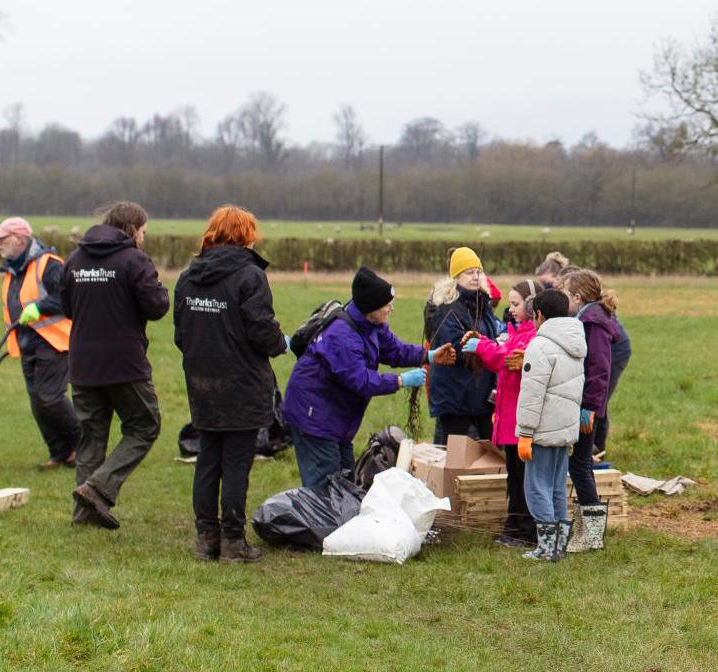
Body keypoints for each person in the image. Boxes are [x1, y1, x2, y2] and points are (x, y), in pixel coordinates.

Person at [172, 205, 284, 563]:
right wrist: (280, 343)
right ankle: (234, 542)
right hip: (242, 383)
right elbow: (262, 330)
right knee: (236, 462)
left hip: (202, 382)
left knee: (208, 458)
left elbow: (180, 334)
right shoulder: (250, 277)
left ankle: (206, 539)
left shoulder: (188, 278)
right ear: (245, 235)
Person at [283, 267, 454, 487]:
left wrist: (428, 356)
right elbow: (361, 381)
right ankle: (320, 521)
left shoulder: (373, 325)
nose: (391, 308)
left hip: (336, 417)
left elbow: (394, 350)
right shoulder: (342, 335)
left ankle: (339, 519)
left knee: (345, 482)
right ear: (371, 307)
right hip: (313, 415)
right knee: (324, 488)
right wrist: (400, 381)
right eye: (387, 304)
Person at [64, 201, 170, 530]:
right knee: (144, 426)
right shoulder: (134, 260)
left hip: (82, 364)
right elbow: (157, 307)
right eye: (143, 232)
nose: (143, 238)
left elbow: (67, 308)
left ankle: (84, 517)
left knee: (91, 438)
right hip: (125, 365)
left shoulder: (75, 259)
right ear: (130, 230)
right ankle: (98, 488)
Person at [0, 216, 79, 469]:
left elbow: (67, 297)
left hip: (54, 341)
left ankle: (84, 444)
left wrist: (38, 307)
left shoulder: (49, 265)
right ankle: (59, 454)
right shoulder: (14, 269)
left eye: (2, 238)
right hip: (27, 342)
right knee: (37, 403)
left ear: (19, 239)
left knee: (49, 398)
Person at [469, 279, 545, 548]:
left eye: (516, 304)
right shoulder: (516, 332)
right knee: (514, 476)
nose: (510, 309)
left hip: (521, 420)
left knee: (523, 478)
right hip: (510, 419)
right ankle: (514, 524)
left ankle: (524, 529)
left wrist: (481, 347)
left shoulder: (532, 338)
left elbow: (503, 357)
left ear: (531, 305)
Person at [514, 289, 586, 562]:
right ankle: (558, 546)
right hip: (565, 429)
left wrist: (525, 432)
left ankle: (546, 548)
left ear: (540, 315)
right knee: (557, 487)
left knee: (536, 488)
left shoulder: (540, 345)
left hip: (542, 431)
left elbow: (532, 394)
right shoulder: (576, 342)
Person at [559, 268, 619, 552]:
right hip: (584, 404)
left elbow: (598, 370)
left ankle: (592, 535)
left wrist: (590, 408)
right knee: (580, 466)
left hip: (588, 408)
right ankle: (586, 532)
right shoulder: (589, 318)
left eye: (566, 295)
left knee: (580, 466)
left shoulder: (593, 323)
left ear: (577, 297)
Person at [425, 247, 503, 444]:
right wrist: (485, 348)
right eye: (469, 273)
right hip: (454, 394)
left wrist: (497, 344)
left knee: (490, 451)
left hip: (482, 394)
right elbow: (453, 348)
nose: (475, 277)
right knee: (454, 454)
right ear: (456, 277)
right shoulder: (446, 308)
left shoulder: (483, 304)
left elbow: (491, 336)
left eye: (478, 272)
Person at [592, 294, 632, 469]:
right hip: (605, 356)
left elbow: (599, 366)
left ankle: (596, 452)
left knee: (598, 401)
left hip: (615, 353)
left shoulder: (594, 320)